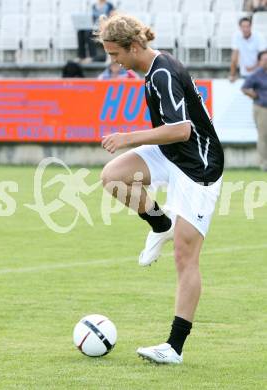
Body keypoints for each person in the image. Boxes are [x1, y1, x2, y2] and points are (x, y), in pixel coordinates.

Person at [97, 14, 224, 364]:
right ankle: (160, 224)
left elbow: (182, 129)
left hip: (198, 166)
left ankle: (174, 347)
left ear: (134, 46)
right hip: (171, 155)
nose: (115, 62)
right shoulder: (155, 68)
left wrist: (128, 138)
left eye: (115, 54)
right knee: (112, 177)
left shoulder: (163, 72)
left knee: (185, 257)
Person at [242, 50, 267, 171]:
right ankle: (264, 164)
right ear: (260, 61)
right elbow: (244, 88)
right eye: (264, 59)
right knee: (263, 136)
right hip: (262, 108)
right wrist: (254, 95)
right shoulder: (256, 75)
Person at [229, 17, 266, 81]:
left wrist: (253, 67)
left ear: (251, 27)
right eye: (243, 27)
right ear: (240, 27)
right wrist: (232, 74)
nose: (245, 29)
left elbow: (264, 57)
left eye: (247, 26)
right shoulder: (236, 36)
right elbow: (234, 58)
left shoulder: (259, 36)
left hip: (259, 74)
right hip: (244, 73)